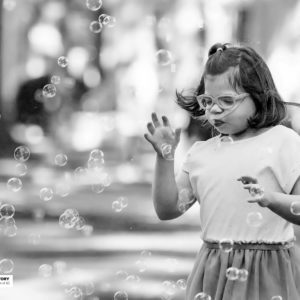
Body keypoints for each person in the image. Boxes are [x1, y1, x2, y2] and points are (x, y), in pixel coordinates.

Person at [144, 42, 300, 300]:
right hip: (213, 268)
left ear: (259, 96)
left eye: (227, 100)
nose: (214, 110)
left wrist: (271, 199)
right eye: (208, 100)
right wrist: (164, 158)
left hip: (269, 270)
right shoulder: (202, 153)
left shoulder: (284, 142)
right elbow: (167, 209)